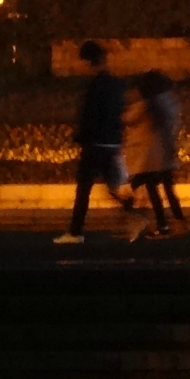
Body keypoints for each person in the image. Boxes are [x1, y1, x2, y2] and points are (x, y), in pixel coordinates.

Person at [55, 40, 137, 244]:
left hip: (95, 144)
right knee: (112, 187)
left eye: (81, 61)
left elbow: (91, 116)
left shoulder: (95, 86)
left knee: (83, 189)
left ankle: (75, 232)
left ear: (89, 62)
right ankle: (136, 215)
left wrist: (81, 137)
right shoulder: (117, 84)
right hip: (111, 143)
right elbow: (119, 113)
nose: (79, 66)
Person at [127, 69, 187, 239]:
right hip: (167, 152)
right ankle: (179, 223)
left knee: (150, 189)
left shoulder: (148, 104)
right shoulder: (169, 102)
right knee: (168, 190)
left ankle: (161, 225)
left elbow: (128, 119)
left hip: (152, 157)